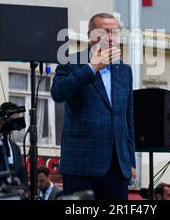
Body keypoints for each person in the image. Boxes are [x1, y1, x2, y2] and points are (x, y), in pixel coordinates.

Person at [51, 13, 136, 200]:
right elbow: (58, 93)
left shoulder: (124, 70)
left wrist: (130, 159)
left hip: (117, 165)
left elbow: (127, 119)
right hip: (81, 162)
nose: (112, 37)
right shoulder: (70, 62)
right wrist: (92, 68)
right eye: (105, 32)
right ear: (91, 36)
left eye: (115, 32)